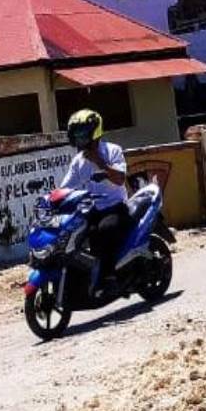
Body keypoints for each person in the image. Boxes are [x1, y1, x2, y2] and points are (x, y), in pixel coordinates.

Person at [59, 109, 131, 293]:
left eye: (83, 134)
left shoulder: (112, 151)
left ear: (95, 132)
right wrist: (54, 200)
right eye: (76, 134)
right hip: (92, 210)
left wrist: (101, 163)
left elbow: (120, 179)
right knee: (73, 236)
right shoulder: (78, 161)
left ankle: (109, 277)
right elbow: (66, 187)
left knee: (103, 231)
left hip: (116, 207)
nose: (79, 138)